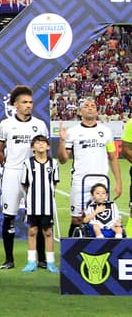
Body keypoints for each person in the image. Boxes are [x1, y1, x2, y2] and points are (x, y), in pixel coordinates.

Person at [0, 85, 49, 270]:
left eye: (31, 102)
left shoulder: (39, 125)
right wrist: (7, 164)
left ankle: (40, 258)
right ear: (15, 105)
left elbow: (45, 150)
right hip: (12, 173)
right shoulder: (6, 125)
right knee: (9, 216)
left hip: (34, 175)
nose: (28, 106)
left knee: (37, 216)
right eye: (24, 102)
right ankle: (9, 260)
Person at [57, 99, 123, 237]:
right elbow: (63, 160)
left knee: (103, 218)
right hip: (80, 181)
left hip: (101, 183)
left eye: (93, 106)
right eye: (86, 106)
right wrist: (62, 141)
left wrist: (118, 182)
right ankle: (72, 253)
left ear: (97, 111)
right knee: (77, 218)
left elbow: (112, 157)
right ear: (80, 112)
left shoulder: (106, 132)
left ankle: (100, 250)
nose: (90, 108)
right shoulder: (73, 132)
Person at [21, 135, 59, 273]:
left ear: (48, 146)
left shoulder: (53, 163)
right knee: (32, 231)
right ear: (33, 147)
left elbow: (54, 184)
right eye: (37, 142)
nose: (41, 144)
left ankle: (51, 262)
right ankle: (31, 261)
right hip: (33, 204)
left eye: (43, 142)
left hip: (47, 204)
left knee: (48, 232)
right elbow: (25, 185)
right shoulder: (27, 163)